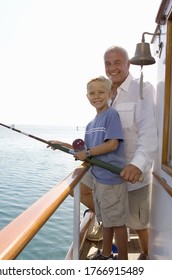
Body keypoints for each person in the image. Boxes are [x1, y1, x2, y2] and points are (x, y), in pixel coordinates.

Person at [79, 46, 158, 260]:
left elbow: (149, 132)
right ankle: (109, 216)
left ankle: (146, 256)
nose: (112, 68)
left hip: (133, 173)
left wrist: (137, 165)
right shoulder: (105, 93)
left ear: (127, 64)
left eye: (117, 63)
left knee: (139, 223)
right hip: (107, 171)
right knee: (78, 187)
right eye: (107, 63)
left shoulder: (142, 88)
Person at [52, 76, 129, 260]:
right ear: (87, 97)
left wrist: (87, 154)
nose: (97, 96)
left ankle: (124, 261)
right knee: (107, 220)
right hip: (98, 178)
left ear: (110, 93)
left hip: (111, 180)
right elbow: (85, 150)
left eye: (101, 92)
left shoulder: (111, 115)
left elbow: (112, 145)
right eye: (92, 93)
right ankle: (106, 254)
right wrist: (60, 144)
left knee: (117, 223)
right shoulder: (90, 124)